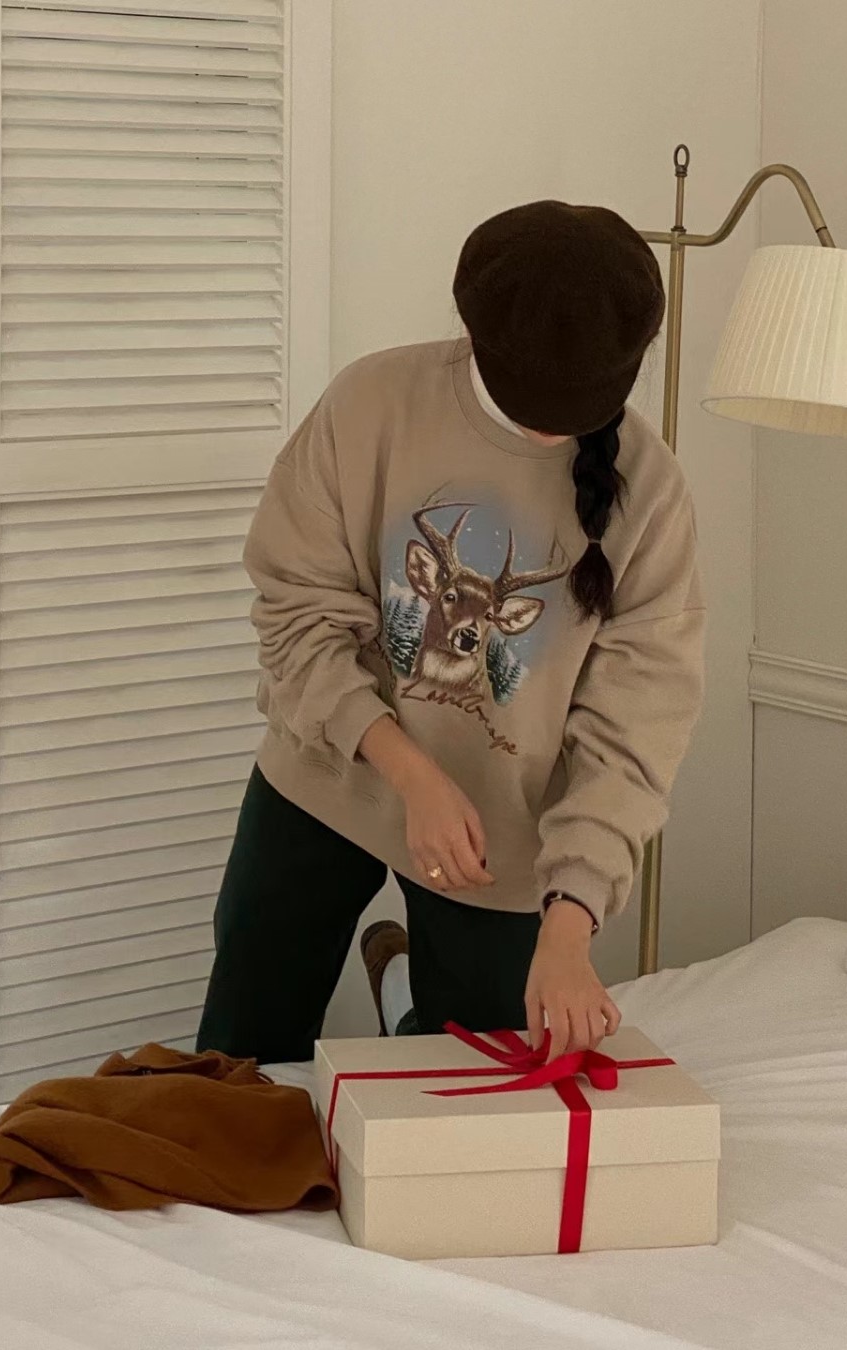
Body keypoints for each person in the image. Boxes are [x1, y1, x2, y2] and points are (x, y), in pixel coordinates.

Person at [196, 200, 706, 1066]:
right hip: (328, 774)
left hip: (500, 839)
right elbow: (296, 610)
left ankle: (401, 997)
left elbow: (634, 732)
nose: (546, 427)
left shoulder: (650, 494)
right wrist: (410, 771)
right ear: (473, 333)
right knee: (239, 1059)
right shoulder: (372, 404)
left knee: (473, 1078)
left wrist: (571, 922)